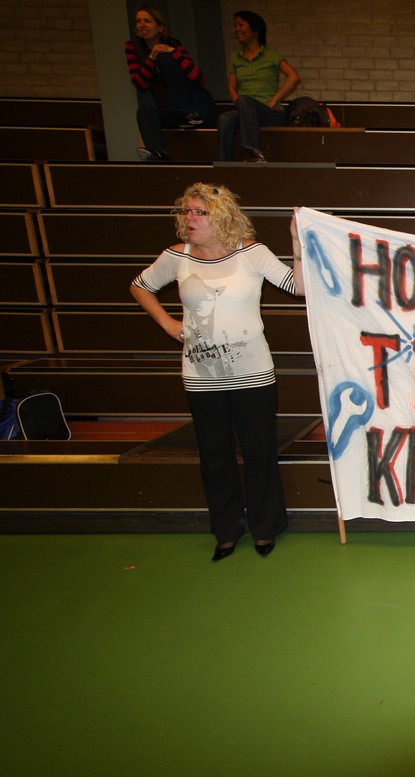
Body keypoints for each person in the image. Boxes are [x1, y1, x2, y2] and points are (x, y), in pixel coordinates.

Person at [130, 183, 304, 561]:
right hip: (201, 376)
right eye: (187, 211)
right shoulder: (177, 257)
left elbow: (299, 287)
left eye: (199, 212)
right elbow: (140, 286)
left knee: (259, 452)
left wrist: (296, 242)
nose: (189, 218)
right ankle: (226, 531)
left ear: (221, 216)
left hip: (253, 374)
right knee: (214, 455)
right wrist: (166, 322)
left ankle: (265, 528)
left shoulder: (251, 253)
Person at [125, 5, 217, 162]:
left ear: (160, 27)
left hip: (197, 109)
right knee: (144, 113)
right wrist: (151, 57)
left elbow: (199, 78)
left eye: (147, 21)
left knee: (164, 58)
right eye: (138, 21)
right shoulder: (133, 47)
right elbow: (140, 85)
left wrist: (174, 53)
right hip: (174, 112)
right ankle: (159, 155)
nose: (142, 25)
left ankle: (186, 112)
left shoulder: (173, 44)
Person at [217, 10, 300, 162]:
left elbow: (293, 77)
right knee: (225, 119)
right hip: (246, 111)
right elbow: (231, 87)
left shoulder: (271, 55)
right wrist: (240, 106)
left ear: (255, 30)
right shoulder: (235, 58)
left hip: (270, 113)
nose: (237, 29)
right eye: (235, 25)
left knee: (245, 100)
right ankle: (225, 164)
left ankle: (255, 152)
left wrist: (274, 100)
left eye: (241, 25)